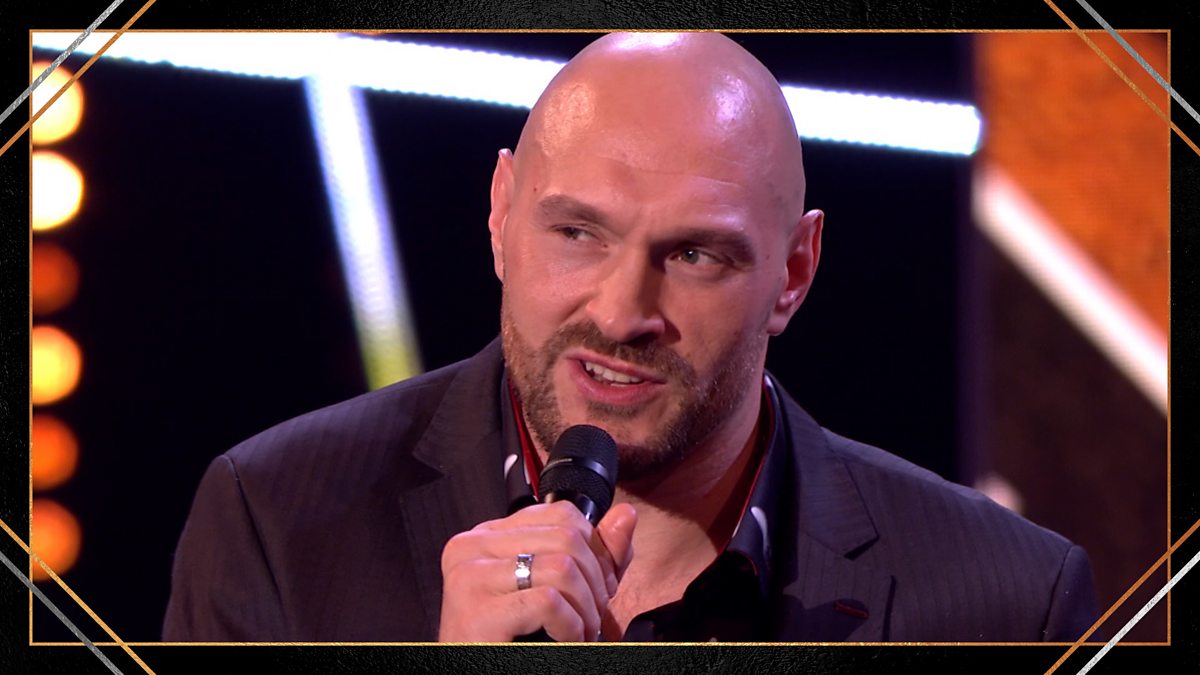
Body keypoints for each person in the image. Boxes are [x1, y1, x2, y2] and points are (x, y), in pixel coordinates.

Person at [163, 32, 1100, 643]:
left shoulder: (1009, 601)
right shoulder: (278, 522)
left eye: (693, 254)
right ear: (501, 213)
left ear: (794, 272)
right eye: (578, 232)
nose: (620, 314)